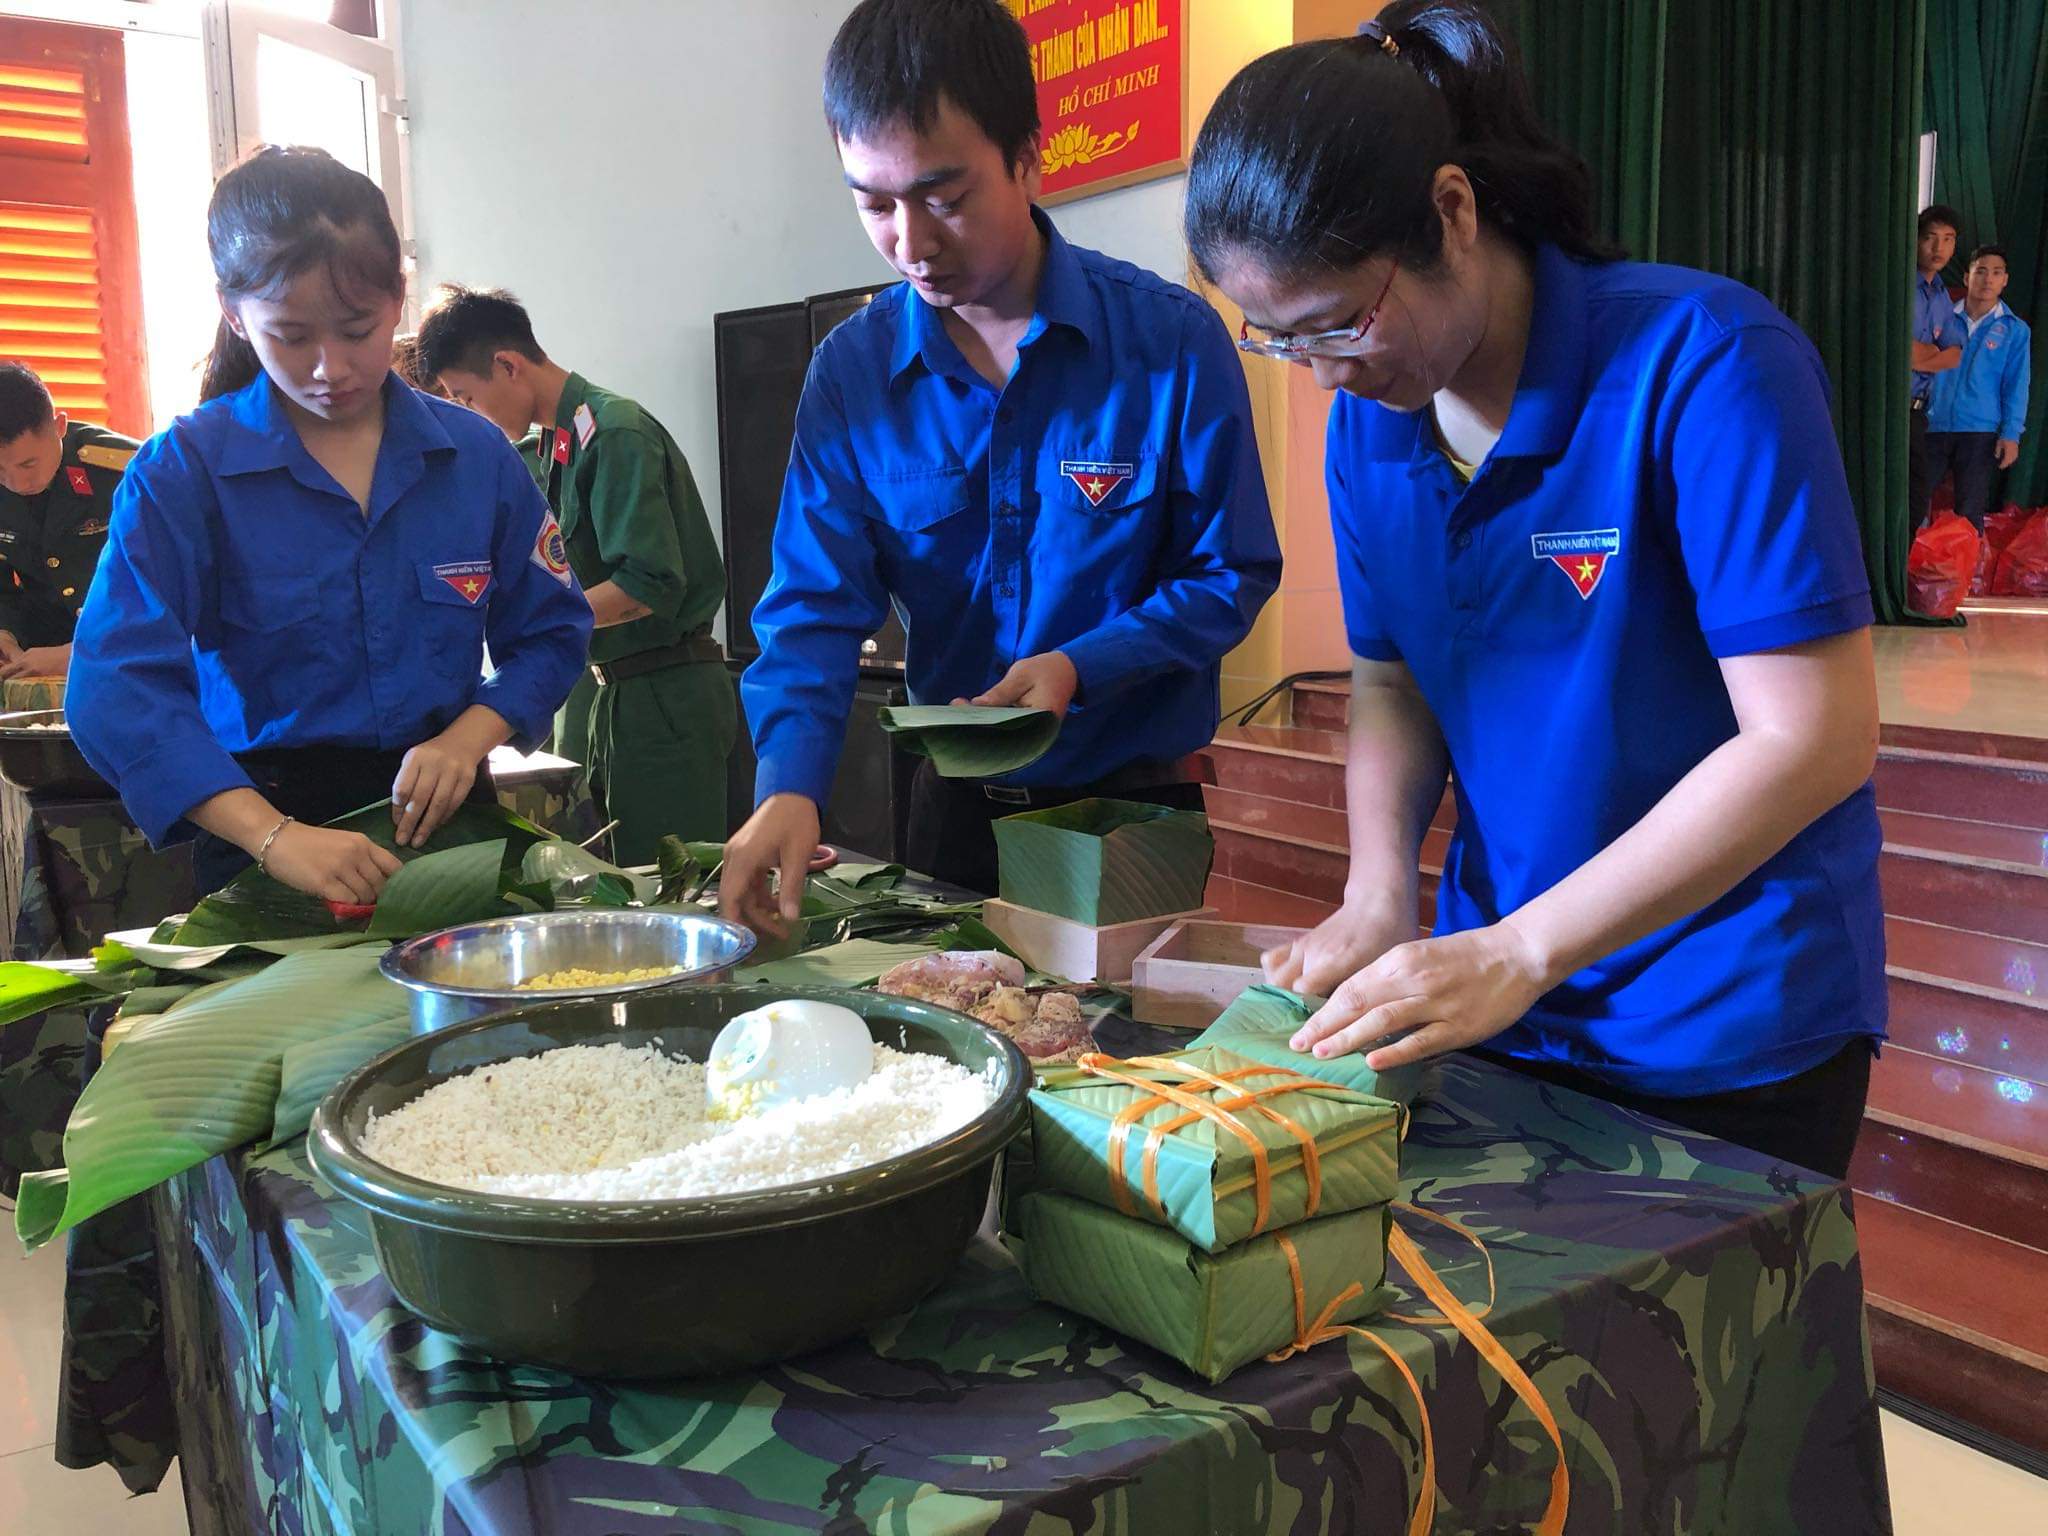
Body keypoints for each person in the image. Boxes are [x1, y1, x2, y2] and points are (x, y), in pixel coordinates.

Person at [1183, 0, 1884, 1180]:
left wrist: (1523, 949)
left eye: (1339, 325)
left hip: (1717, 1025)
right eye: (1278, 340)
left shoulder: (1704, 363)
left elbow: (1813, 736)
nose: (1320, 379)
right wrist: (1374, 895)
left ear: (1451, 213)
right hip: (1500, 998)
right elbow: (1388, 682)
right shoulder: (1373, 423)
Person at [723, 0, 1280, 924]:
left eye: (945, 197)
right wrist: (789, 783)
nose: (912, 241)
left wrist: (1083, 664)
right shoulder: (853, 375)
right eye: (873, 202)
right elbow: (813, 609)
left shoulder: (1171, 343)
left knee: (1136, 1064)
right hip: (953, 815)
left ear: (1028, 155)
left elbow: (1232, 573)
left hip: (1131, 813)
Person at [67, 147, 591, 900]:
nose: (330, 367)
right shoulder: (185, 472)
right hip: (266, 838)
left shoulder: (474, 456)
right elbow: (113, 687)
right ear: (233, 314)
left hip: (444, 827)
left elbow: (551, 629)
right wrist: (271, 837)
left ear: (397, 297)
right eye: (291, 335)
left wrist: (470, 736)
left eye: (357, 328)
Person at [417, 287, 734, 862]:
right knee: (589, 879)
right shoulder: (548, 450)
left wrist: (548, 629)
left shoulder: (614, 433)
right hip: (591, 694)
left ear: (507, 365)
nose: (467, 415)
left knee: (666, 885)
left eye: (466, 397)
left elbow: (648, 581)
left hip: (660, 697)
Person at [0, 362, 137, 681]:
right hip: (37, 661)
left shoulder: (125, 471)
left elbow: (165, 587)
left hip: (130, 654)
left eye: (28, 463)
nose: (17, 483)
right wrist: (4, 632)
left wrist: (79, 652)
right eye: (1, 472)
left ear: (59, 426)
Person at [1924, 244, 2032, 530]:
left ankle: (1964, 573)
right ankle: (1909, 569)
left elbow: (2016, 384)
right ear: (1966, 277)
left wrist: (2011, 434)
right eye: (1980, 271)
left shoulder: (2014, 329)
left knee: (1969, 509)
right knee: (1914, 500)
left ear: (2005, 280)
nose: (1988, 279)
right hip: (1931, 424)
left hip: (1979, 430)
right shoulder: (1942, 317)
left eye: (1996, 273)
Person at [1909, 205, 1965, 530]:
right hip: (1893, 411)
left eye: (1948, 239)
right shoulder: (1904, 288)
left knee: (1916, 502)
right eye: (1930, 238)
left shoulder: (1941, 293)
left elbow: (1954, 354)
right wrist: (1928, 354)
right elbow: (1903, 354)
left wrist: (1925, 354)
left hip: (1919, 412)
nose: (1938, 248)